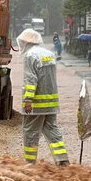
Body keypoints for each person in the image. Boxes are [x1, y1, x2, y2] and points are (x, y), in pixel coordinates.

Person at [18, 29, 69, 166]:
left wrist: (28, 99)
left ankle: (29, 163)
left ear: (26, 42)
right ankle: (62, 160)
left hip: (36, 103)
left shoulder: (30, 55)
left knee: (30, 133)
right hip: (51, 103)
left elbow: (30, 79)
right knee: (53, 131)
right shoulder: (48, 53)